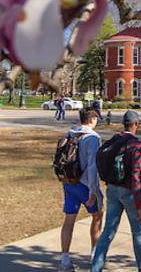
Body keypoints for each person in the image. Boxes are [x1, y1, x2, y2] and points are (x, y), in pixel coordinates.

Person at [91, 111, 141, 272]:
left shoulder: (114, 140)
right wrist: (140, 205)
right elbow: (136, 176)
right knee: (138, 233)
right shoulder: (136, 144)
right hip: (129, 193)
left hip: (112, 189)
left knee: (108, 231)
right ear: (136, 124)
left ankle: (95, 267)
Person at [58, 109, 104, 272]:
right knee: (97, 215)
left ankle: (65, 260)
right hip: (85, 184)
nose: (97, 120)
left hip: (69, 182)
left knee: (69, 219)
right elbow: (92, 166)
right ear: (92, 118)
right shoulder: (93, 137)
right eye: (96, 118)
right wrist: (93, 190)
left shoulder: (70, 133)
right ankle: (95, 255)